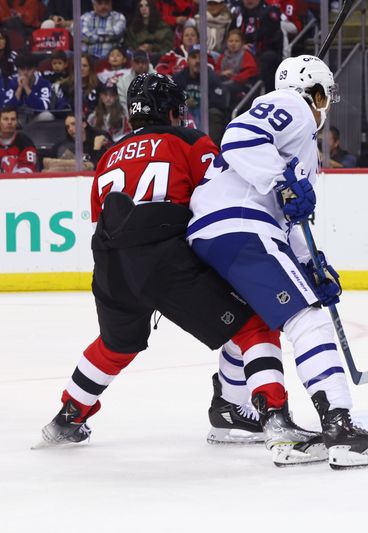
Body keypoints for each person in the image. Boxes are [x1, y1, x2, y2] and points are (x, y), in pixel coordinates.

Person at [37, 73, 329, 467]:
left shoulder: (109, 154)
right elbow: (212, 199)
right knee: (255, 324)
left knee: (116, 343)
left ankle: (66, 418)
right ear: (172, 110)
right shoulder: (190, 141)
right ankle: (276, 421)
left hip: (109, 262)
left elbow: (99, 217)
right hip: (164, 257)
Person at [186, 55, 368, 469]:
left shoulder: (298, 147)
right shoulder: (293, 105)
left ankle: (230, 408)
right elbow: (240, 135)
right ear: (315, 92)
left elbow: (286, 217)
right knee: (307, 319)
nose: (324, 104)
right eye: (324, 96)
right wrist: (281, 182)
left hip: (212, 231)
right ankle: (339, 424)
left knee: (248, 320)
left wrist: (312, 263)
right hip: (241, 224)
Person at [173, 45, 227, 144]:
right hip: (185, 116)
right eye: (194, 57)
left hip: (206, 116)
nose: (197, 61)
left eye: (201, 57)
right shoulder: (179, 77)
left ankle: (211, 147)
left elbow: (222, 101)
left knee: (215, 113)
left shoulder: (211, 77)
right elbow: (170, 98)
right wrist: (184, 102)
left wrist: (202, 102)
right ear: (188, 60)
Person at [229, 0, 283, 92]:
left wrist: (252, 49)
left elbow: (271, 39)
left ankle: (265, 94)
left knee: (268, 58)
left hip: (263, 54)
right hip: (240, 51)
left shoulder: (269, 13)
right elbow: (231, 35)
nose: (249, 1)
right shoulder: (239, 13)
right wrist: (240, 45)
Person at [44, 113, 110, 171]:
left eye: (73, 124)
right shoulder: (64, 146)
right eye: (67, 127)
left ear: (84, 124)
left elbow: (100, 166)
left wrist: (97, 148)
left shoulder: (100, 138)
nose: (70, 129)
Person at [214, 29, 258, 99]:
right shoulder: (222, 57)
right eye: (231, 41)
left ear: (242, 43)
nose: (233, 44)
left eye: (237, 41)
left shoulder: (246, 55)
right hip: (223, 81)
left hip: (241, 85)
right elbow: (216, 71)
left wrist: (236, 77)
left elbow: (252, 70)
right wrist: (222, 73)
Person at [0, 106, 37, 173]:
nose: (9, 122)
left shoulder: (25, 142)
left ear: (17, 122)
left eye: (13, 119)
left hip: (18, 182)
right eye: (5, 119)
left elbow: (29, 169)